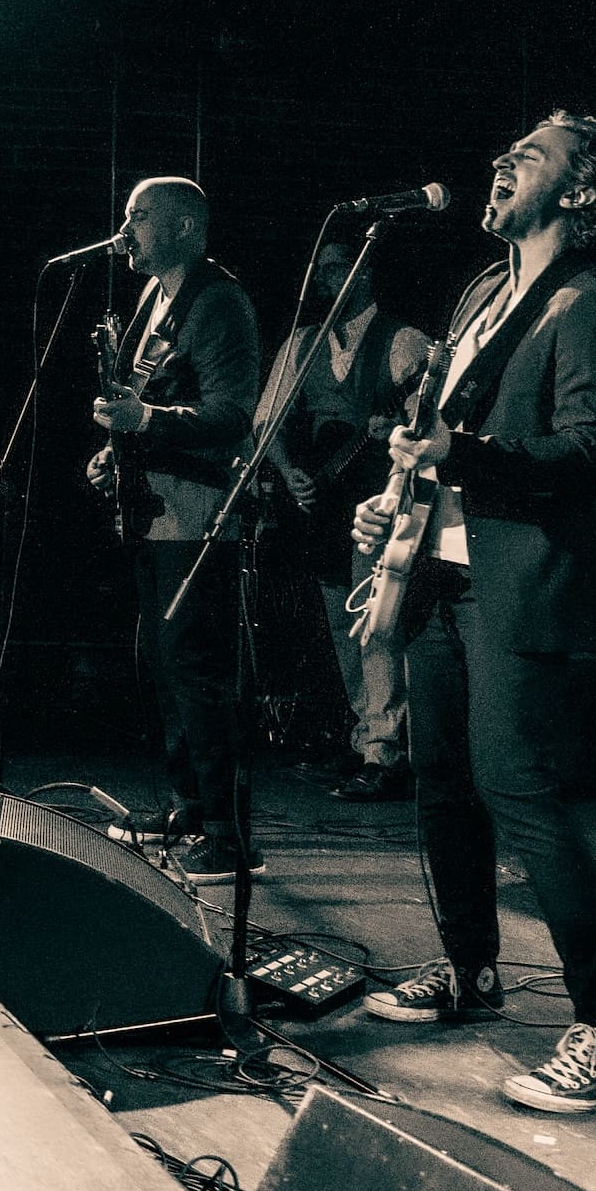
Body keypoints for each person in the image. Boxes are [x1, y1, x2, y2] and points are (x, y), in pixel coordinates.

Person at [354, 111, 596, 1114]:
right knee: (441, 780)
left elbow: (594, 444)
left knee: (515, 785)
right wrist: (393, 499)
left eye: (528, 156)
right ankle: (470, 971)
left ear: (580, 191)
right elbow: (433, 432)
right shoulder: (485, 289)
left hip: (515, 581)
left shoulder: (586, 299)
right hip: (436, 568)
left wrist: (465, 458)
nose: (500, 162)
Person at [88, 175, 262, 886]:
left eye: (139, 218)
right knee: (166, 667)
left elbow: (234, 413)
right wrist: (118, 448)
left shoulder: (217, 300)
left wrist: (146, 421)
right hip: (153, 509)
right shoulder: (154, 297)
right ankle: (189, 807)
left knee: (198, 670)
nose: (124, 232)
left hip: (196, 515)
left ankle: (227, 834)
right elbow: (147, 397)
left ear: (185, 227)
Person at [255, 240, 431, 801]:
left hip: (381, 506)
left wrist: (395, 433)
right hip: (323, 506)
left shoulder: (403, 341)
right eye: (321, 270)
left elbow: (430, 424)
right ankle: (363, 739)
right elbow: (266, 420)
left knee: (374, 624)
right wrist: (289, 472)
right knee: (340, 624)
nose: (325, 279)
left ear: (366, 273)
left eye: (337, 269)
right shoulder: (302, 343)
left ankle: (386, 751)